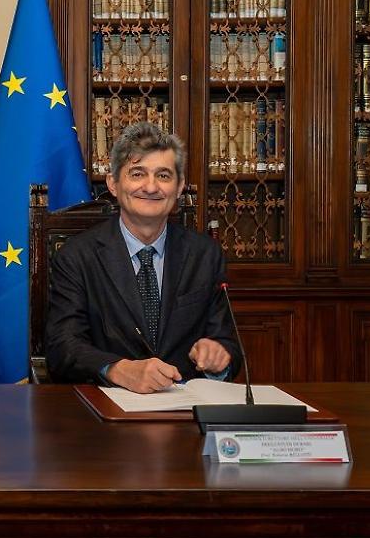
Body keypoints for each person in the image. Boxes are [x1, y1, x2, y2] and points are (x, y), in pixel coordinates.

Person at [44, 122, 242, 393]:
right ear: (113, 184)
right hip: (107, 406)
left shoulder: (205, 255)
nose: (150, 187)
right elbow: (63, 347)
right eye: (137, 174)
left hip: (185, 406)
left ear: (179, 187)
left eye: (163, 176)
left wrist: (219, 354)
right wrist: (118, 369)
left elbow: (228, 344)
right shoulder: (77, 257)